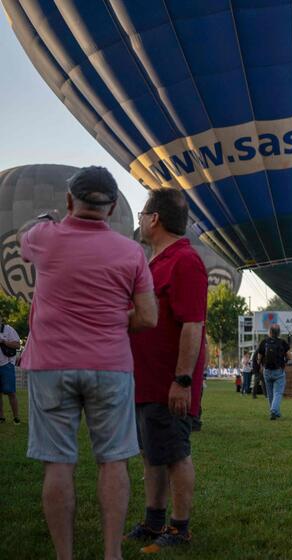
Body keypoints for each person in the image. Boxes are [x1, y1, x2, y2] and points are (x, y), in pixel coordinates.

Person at [19, 166, 157, 560]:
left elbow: (23, 237)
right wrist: (110, 317)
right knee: (113, 460)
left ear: (68, 201)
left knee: (58, 465)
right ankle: (111, 553)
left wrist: (49, 219)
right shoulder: (131, 252)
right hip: (110, 365)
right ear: (114, 207)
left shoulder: (45, 238)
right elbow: (148, 317)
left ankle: (66, 555)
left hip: (50, 366)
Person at [127, 187, 208, 553]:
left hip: (168, 382)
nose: (140, 220)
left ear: (154, 218)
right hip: (145, 381)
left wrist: (182, 380)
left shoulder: (184, 261)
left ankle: (179, 529)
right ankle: (153, 520)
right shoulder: (154, 262)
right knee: (152, 453)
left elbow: (193, 324)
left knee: (175, 454)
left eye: (143, 214)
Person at [256, 324, 291, 420]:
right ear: (279, 332)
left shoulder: (264, 342)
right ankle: (274, 410)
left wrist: (260, 365)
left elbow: (259, 357)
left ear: (269, 332)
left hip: (266, 371)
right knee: (278, 393)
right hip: (278, 371)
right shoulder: (282, 342)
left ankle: (274, 413)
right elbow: (289, 357)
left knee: (270, 393)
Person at [0, 318, 21, 424]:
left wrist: (4, 341)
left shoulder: (8, 329)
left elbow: (17, 345)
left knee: (11, 392)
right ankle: (1, 417)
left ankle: (16, 417)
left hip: (6, 365)